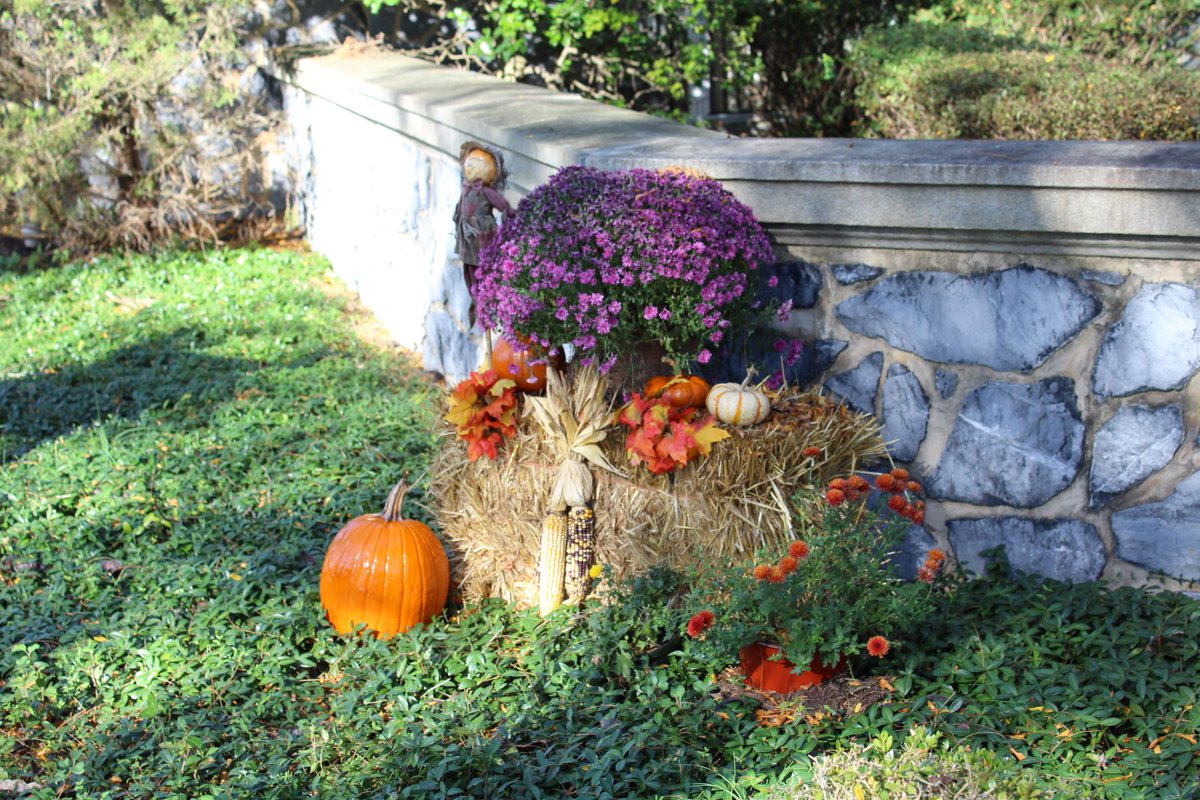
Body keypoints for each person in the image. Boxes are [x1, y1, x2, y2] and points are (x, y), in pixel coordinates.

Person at [453, 141, 512, 326]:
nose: (469, 167)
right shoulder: (467, 189)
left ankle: (485, 305)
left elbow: (503, 205)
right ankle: (476, 301)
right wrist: (457, 219)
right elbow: (459, 208)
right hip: (467, 236)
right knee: (469, 270)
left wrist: (510, 222)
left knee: (483, 270)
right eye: (469, 163)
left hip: (482, 237)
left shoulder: (485, 191)